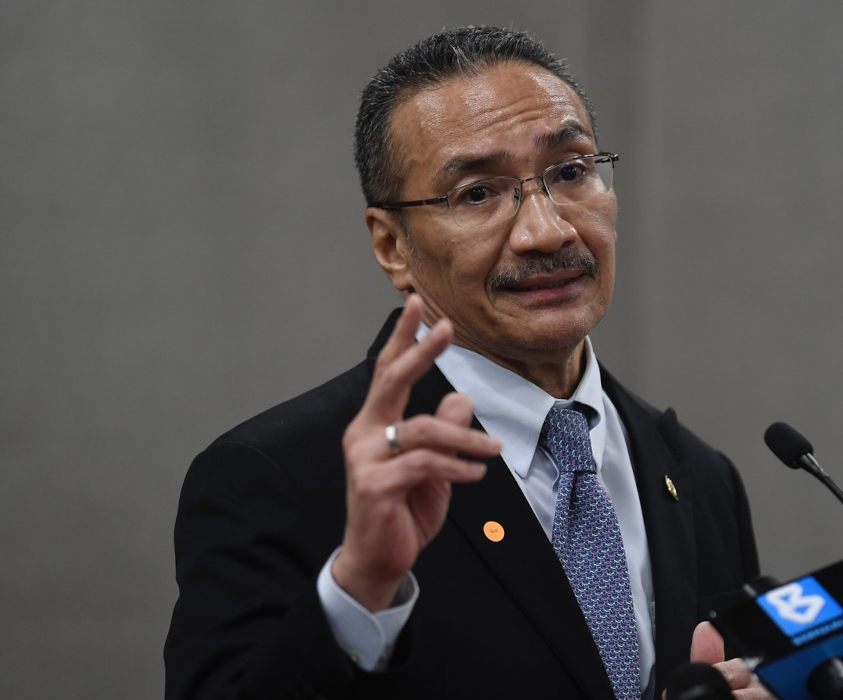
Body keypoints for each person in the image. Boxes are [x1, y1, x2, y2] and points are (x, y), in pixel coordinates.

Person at [165, 26, 763, 700]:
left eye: (571, 172)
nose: (549, 231)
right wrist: (360, 587)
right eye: (478, 193)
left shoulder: (700, 476)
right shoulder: (278, 475)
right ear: (393, 246)